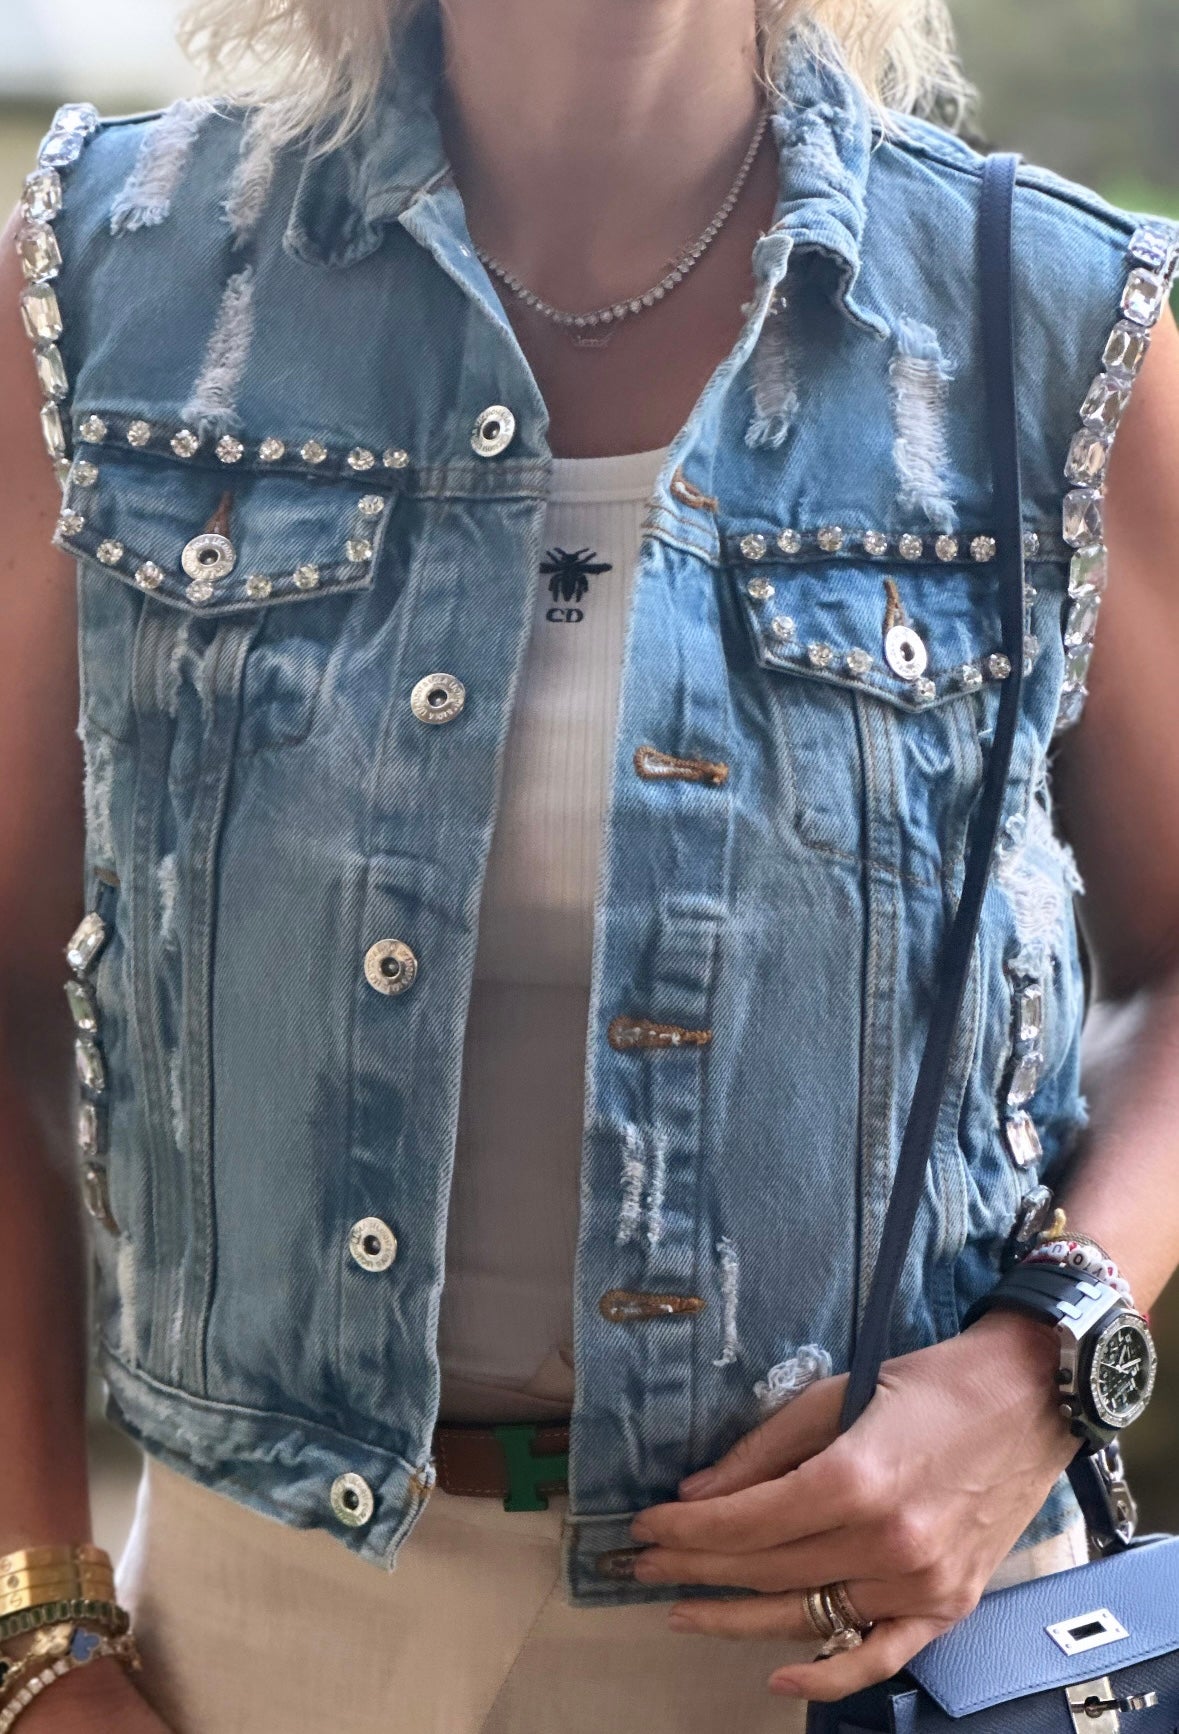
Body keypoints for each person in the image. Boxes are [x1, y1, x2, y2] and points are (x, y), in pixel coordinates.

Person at [2, 0, 1179, 1727]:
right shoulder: (123, 285)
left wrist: (1044, 1362)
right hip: (258, 1641)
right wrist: (38, 1626)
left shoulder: (1043, 323)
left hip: (885, 1639)